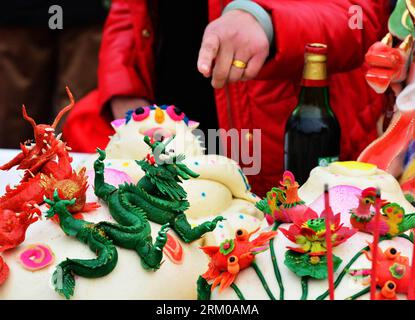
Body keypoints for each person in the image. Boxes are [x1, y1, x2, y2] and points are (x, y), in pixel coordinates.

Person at [63, 0, 391, 196]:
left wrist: (265, 21)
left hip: (278, 152)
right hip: (167, 140)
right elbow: (128, 11)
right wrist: (126, 87)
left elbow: (361, 16)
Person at [0, 0, 108, 148]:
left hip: (87, 15)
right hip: (17, 15)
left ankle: (70, 168)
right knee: (14, 115)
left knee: (76, 113)